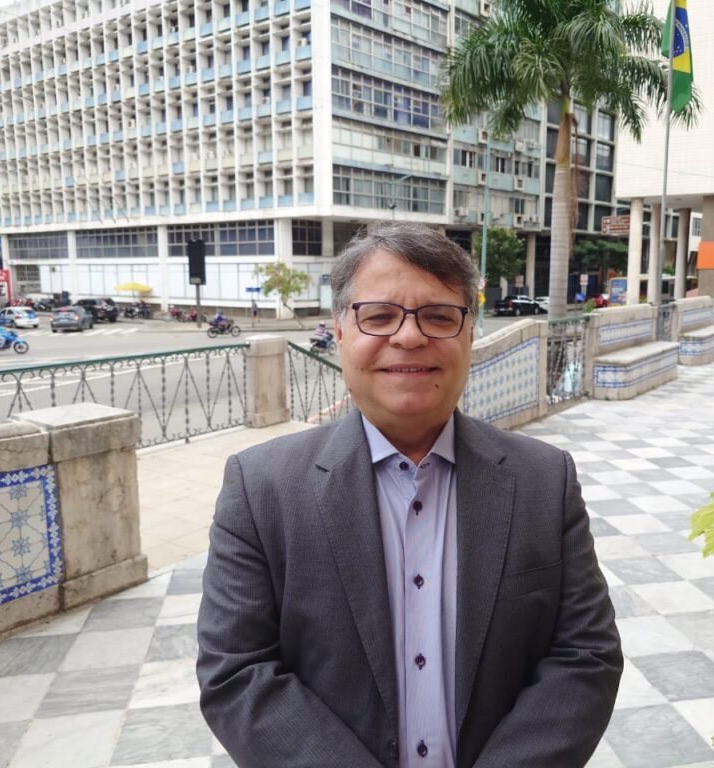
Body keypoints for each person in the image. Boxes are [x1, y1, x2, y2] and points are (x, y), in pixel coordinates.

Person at [197, 222, 622, 768]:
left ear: (470, 334)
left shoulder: (544, 480)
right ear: (340, 332)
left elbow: (586, 655)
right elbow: (237, 671)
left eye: (439, 316)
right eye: (379, 316)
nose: (409, 336)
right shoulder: (262, 488)